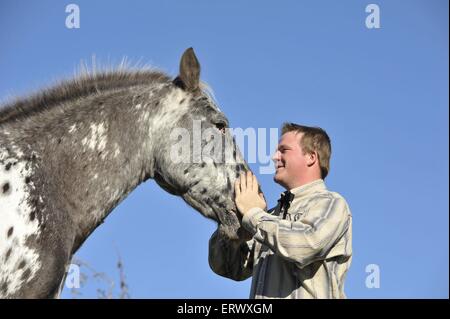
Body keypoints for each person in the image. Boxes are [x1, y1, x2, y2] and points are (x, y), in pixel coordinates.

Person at [208, 122, 352, 299]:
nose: (275, 157)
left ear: (311, 157)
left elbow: (306, 245)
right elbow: (230, 268)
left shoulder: (331, 204)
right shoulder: (269, 216)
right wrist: (231, 220)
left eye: (283, 150)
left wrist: (253, 214)